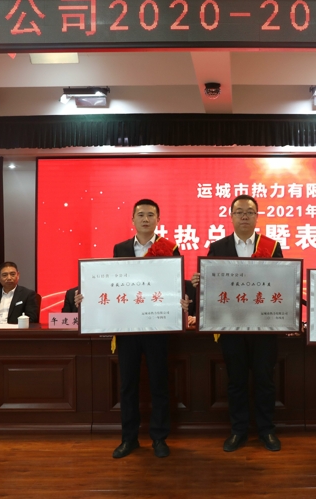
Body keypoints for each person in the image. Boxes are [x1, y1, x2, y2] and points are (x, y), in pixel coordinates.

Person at [192, 194, 283, 453]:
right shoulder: (217, 247)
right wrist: (200, 282)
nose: (244, 216)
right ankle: (238, 430)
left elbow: (281, 284)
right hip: (231, 327)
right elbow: (213, 288)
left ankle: (266, 430)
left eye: (250, 212)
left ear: (256, 217)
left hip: (264, 327)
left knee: (265, 380)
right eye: (239, 211)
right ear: (231, 216)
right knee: (236, 381)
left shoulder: (272, 247)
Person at [110, 199, 180, 460]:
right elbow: (113, 282)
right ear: (132, 219)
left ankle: (159, 438)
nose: (146, 219)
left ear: (158, 219)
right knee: (128, 385)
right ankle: (129, 439)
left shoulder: (170, 248)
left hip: (157, 326)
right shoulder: (120, 248)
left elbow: (174, 284)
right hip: (128, 327)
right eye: (140, 215)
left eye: (151, 215)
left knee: (159, 384)